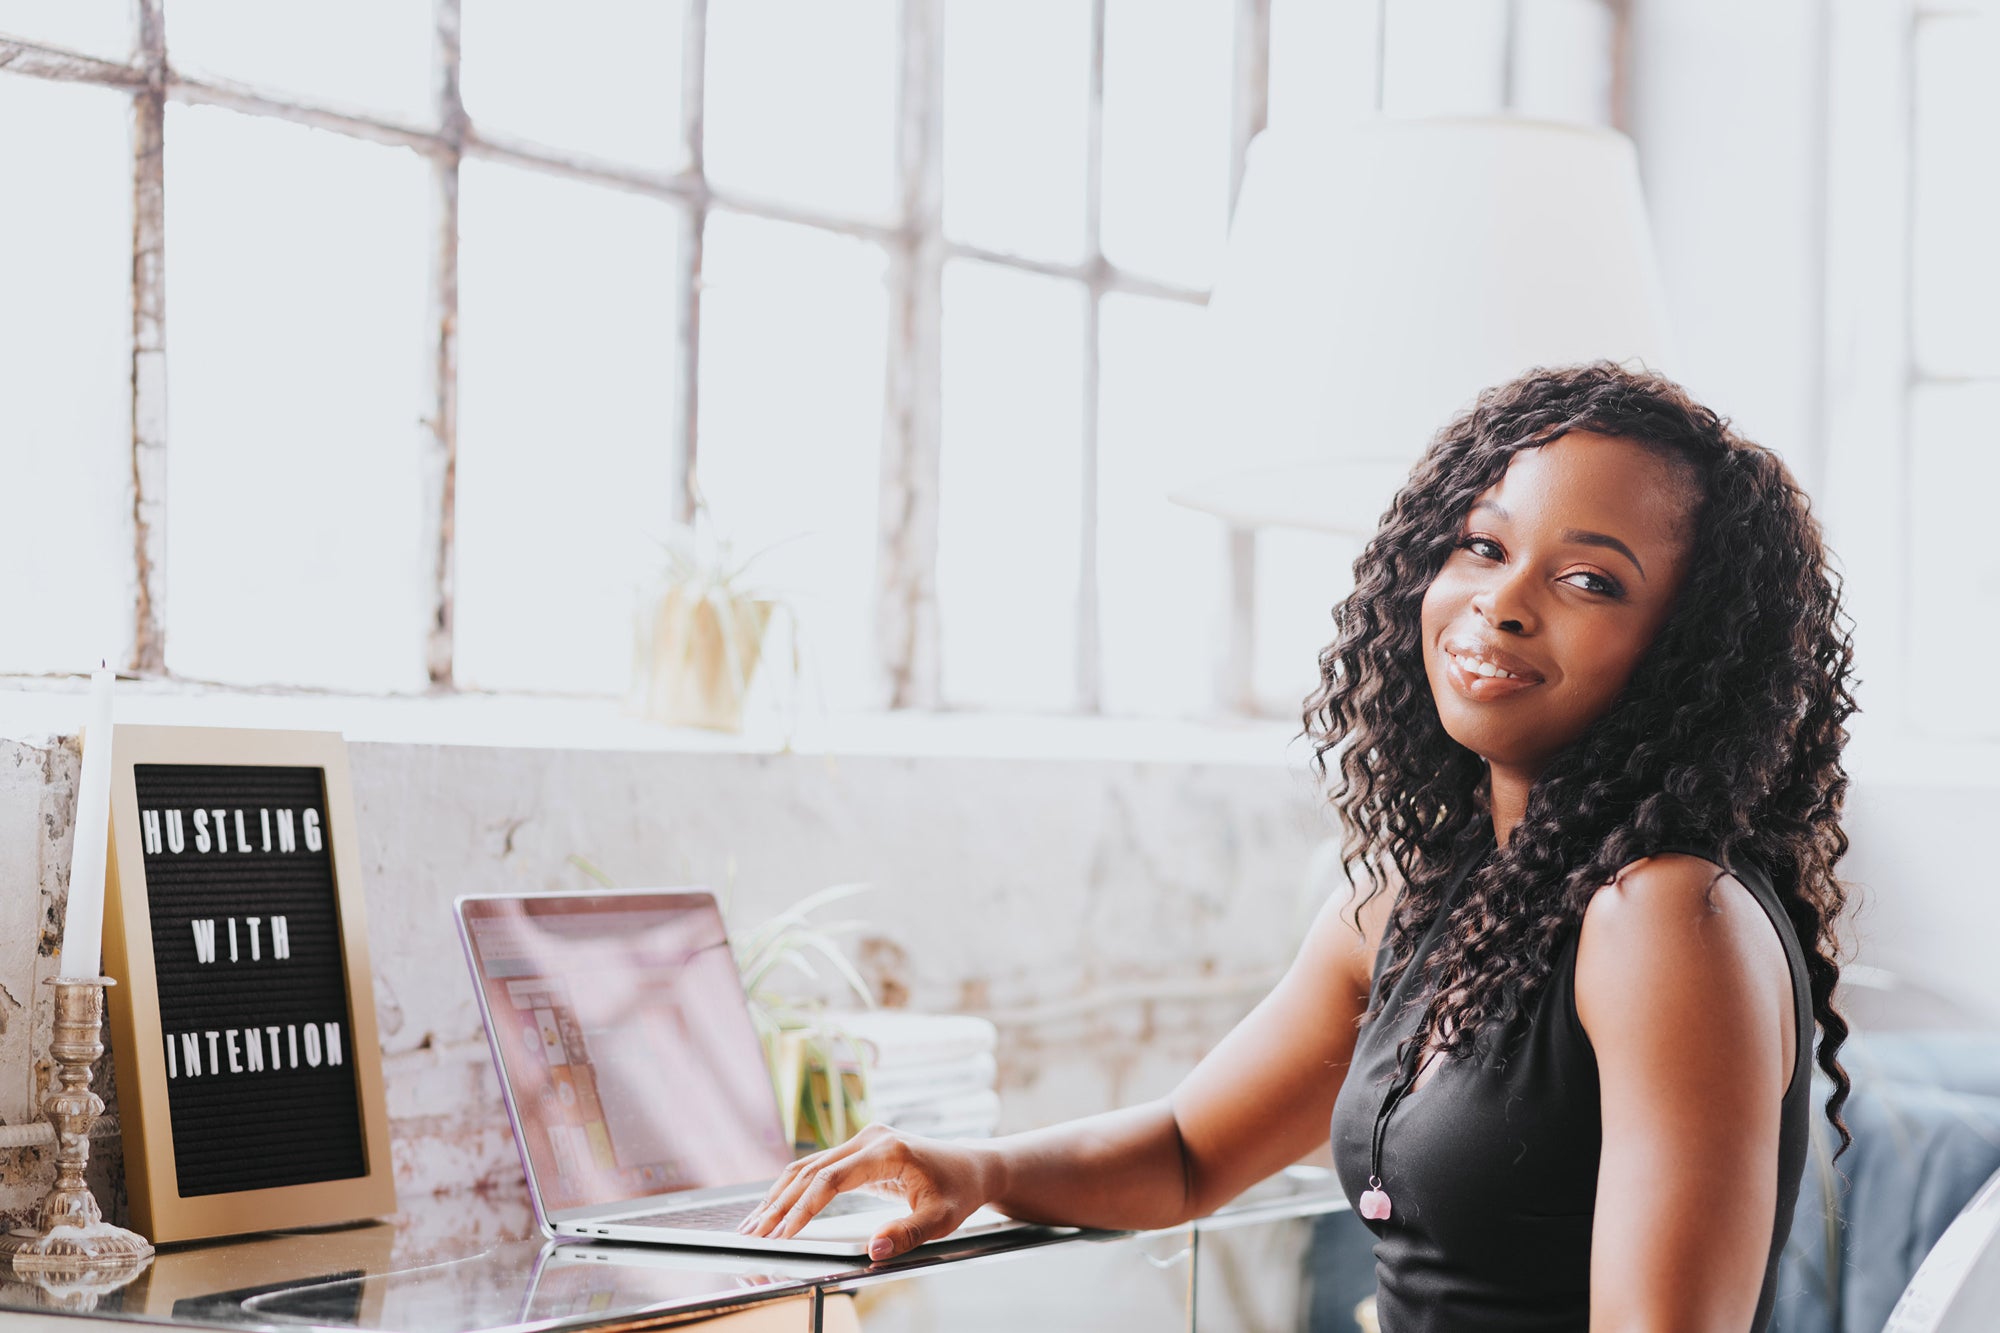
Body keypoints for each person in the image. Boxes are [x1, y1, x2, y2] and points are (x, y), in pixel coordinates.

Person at [740, 362, 1855, 1331]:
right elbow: (1186, 1150)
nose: (1501, 604)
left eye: (1587, 579)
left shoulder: (1665, 916)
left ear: (1690, 650)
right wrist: (971, 1169)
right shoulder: (1410, 906)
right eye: (1480, 545)